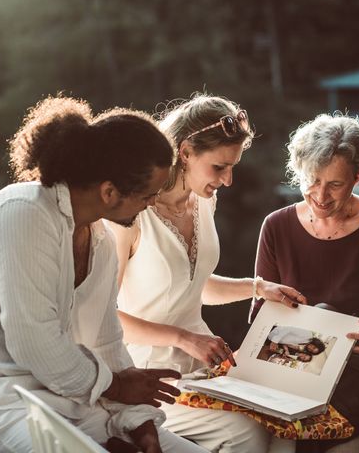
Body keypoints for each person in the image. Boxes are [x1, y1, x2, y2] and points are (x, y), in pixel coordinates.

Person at [0, 97, 206, 452]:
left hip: (72, 404)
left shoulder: (101, 241)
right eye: (147, 195)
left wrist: (139, 422)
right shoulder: (22, 212)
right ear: (109, 192)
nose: (152, 204)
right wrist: (118, 387)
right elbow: (34, 342)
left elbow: (107, 343)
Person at [107, 93, 303, 453]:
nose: (228, 180)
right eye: (219, 167)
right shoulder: (132, 215)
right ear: (185, 153)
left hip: (206, 366)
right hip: (150, 375)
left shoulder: (204, 200)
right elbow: (103, 315)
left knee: (284, 427)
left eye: (233, 168)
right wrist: (182, 337)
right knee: (247, 434)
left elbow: (193, 286)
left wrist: (259, 288)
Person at [252, 113, 359, 449]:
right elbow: (260, 317)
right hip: (298, 363)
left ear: (357, 178)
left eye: (335, 184)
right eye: (312, 180)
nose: (321, 196)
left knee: (326, 427)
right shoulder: (276, 226)